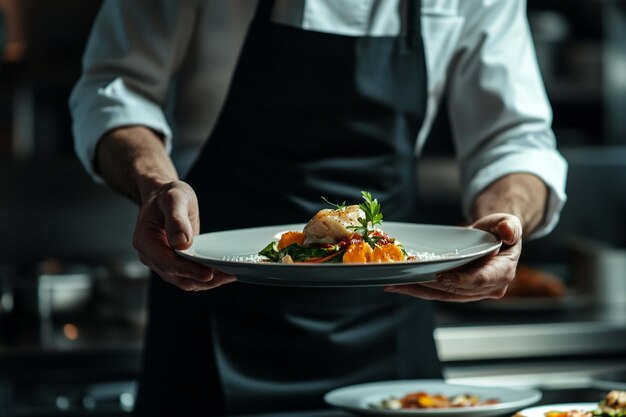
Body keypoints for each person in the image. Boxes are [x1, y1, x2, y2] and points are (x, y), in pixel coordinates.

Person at [69, 0, 568, 416]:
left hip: (394, 322)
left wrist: (503, 222)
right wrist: (156, 185)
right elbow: (114, 88)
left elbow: (515, 139)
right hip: (211, 305)